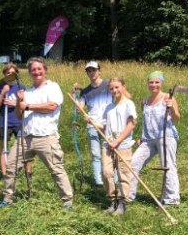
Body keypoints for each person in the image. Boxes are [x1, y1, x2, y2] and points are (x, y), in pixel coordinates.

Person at [11, 57, 74, 208]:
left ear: (45, 70)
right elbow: (19, 115)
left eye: (39, 68)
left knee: (56, 169)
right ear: (30, 72)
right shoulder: (27, 92)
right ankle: (7, 199)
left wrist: (28, 106)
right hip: (25, 136)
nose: (36, 72)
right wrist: (19, 103)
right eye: (33, 69)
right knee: (10, 167)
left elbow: (51, 106)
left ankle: (67, 202)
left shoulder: (52, 87)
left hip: (46, 136)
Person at [83, 77, 136, 215]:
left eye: (117, 87)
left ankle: (122, 202)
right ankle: (112, 201)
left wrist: (117, 141)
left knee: (123, 174)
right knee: (106, 173)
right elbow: (103, 126)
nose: (114, 90)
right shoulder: (109, 107)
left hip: (122, 145)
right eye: (111, 88)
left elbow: (131, 124)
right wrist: (91, 121)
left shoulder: (129, 104)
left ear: (123, 87)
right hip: (108, 145)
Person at [129, 71, 181, 205]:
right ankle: (128, 196)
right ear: (147, 84)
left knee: (168, 166)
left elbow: (176, 119)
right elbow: (146, 121)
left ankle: (171, 199)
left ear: (161, 83)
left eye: (157, 82)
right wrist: (141, 137)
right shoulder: (145, 101)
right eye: (151, 82)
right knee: (133, 164)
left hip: (166, 137)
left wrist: (171, 109)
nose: (153, 85)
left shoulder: (168, 98)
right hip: (148, 139)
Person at [72, 61, 112, 186]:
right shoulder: (86, 91)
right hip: (92, 124)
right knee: (95, 153)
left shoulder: (108, 85)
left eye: (94, 70)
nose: (91, 73)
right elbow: (80, 109)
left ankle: (112, 177)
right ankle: (98, 181)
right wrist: (74, 94)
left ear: (99, 71)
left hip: (109, 123)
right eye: (89, 71)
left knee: (111, 152)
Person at [0, 62, 31, 178]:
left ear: (16, 74)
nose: (10, 74)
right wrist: (3, 93)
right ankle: (5, 173)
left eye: (13, 73)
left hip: (19, 121)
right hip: (4, 121)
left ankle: (28, 171)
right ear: (4, 75)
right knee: (3, 147)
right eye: (8, 73)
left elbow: (25, 105)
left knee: (24, 146)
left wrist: (15, 103)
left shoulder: (21, 87)